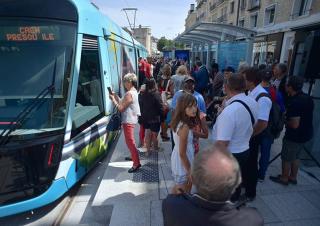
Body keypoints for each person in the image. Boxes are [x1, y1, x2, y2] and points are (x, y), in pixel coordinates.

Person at [162, 146, 264, 226]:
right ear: (237, 182)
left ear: (192, 179)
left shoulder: (172, 206)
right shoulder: (253, 220)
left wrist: (173, 194)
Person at [212, 74, 258, 201]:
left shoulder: (230, 111)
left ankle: (228, 208)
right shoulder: (252, 101)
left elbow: (222, 143)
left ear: (226, 87)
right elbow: (255, 124)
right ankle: (234, 202)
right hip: (244, 149)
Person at [270, 76, 314, 185]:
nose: (285, 86)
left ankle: (284, 178)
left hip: (294, 136)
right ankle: (293, 177)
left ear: (290, 87)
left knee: (287, 157)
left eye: (286, 85)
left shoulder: (296, 102)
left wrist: (284, 120)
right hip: (306, 133)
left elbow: (294, 124)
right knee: (296, 156)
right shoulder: (307, 98)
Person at [243, 68, 272, 200]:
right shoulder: (250, 92)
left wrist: (250, 135)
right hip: (248, 134)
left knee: (252, 163)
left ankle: (250, 193)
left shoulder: (263, 97)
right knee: (247, 163)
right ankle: (245, 183)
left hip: (254, 136)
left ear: (251, 81)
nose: (242, 81)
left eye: (244, 79)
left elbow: (262, 123)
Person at [109, 73, 141, 173]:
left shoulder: (129, 94)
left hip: (128, 120)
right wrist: (116, 96)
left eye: (125, 82)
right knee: (130, 141)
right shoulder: (133, 91)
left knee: (130, 142)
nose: (124, 84)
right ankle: (133, 156)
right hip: (132, 119)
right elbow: (123, 102)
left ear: (129, 82)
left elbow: (121, 108)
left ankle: (136, 163)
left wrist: (113, 100)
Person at [258, 69, 285, 181]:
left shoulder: (256, 92)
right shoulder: (277, 93)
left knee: (253, 150)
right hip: (270, 127)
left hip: (257, 125)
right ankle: (261, 174)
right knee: (265, 151)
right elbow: (282, 110)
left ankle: (250, 171)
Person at [170, 93, 197, 194]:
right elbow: (182, 153)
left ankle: (172, 204)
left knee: (181, 188)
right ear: (183, 108)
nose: (194, 109)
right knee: (183, 190)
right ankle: (173, 206)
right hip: (183, 160)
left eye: (195, 105)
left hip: (179, 157)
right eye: (190, 106)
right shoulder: (184, 126)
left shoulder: (179, 121)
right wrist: (190, 170)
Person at [140, 78, 164, 156]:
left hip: (146, 118)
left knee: (147, 133)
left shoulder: (143, 94)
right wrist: (163, 116)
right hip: (155, 118)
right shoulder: (156, 94)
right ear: (154, 85)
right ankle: (155, 148)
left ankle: (147, 151)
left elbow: (141, 106)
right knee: (154, 134)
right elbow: (160, 107)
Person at [158, 64, 173, 141]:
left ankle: (162, 132)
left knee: (161, 118)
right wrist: (169, 94)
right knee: (166, 119)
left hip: (160, 99)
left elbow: (158, 89)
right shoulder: (170, 81)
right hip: (166, 101)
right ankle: (164, 134)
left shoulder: (160, 79)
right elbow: (172, 93)